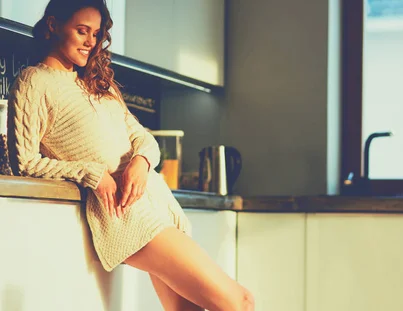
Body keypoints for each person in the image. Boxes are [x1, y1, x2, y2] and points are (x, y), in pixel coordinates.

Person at [6, 0, 254, 310]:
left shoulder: (97, 84)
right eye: (81, 31)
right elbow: (25, 163)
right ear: (54, 26)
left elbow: (143, 138)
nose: (90, 42)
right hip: (129, 217)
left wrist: (141, 161)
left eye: (96, 34)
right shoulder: (34, 82)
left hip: (156, 203)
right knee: (239, 301)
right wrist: (91, 173)